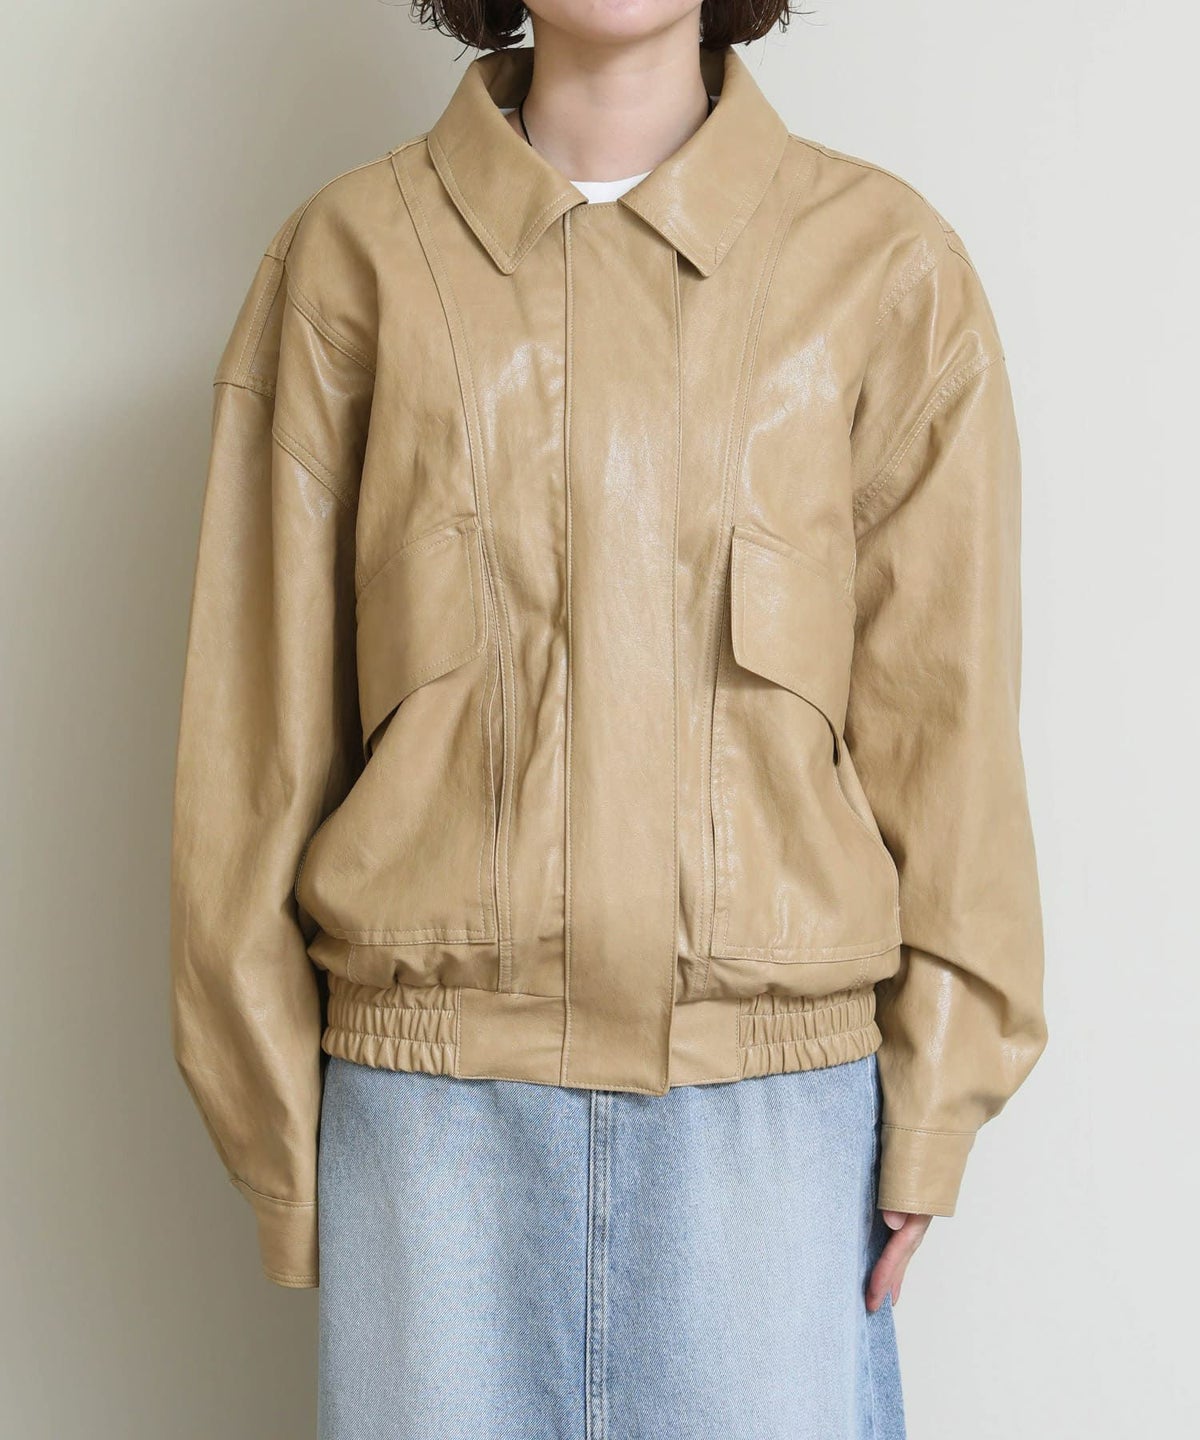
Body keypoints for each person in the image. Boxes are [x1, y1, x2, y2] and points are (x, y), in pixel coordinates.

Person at [169, 1, 1048, 1435]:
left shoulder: (884, 266)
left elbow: (945, 730)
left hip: (772, 1119)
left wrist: (937, 1101)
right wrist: (276, 1131)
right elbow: (253, 742)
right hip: (431, 1121)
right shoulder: (352, 259)